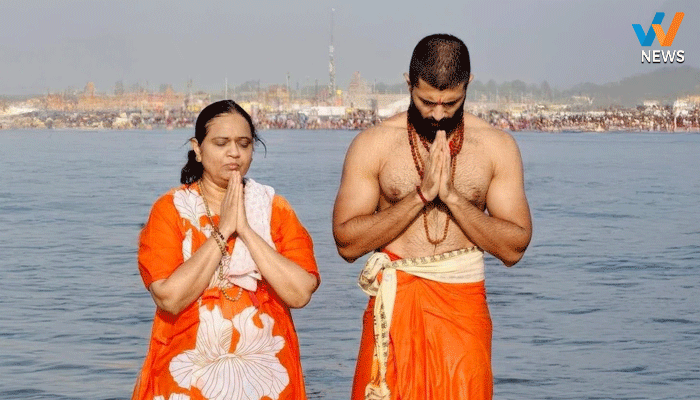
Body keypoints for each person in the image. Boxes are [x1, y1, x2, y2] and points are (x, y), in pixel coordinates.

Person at [332, 34, 532, 400]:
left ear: (468, 85)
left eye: (451, 103)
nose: (438, 114)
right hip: (395, 304)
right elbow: (346, 244)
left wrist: (452, 197)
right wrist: (420, 196)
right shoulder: (374, 144)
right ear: (408, 83)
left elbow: (514, 249)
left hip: (463, 310)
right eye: (426, 102)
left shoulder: (496, 146)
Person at [132, 100, 320, 400]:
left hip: (267, 378)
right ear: (198, 148)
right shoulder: (170, 210)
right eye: (221, 143)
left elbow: (299, 293)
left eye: (244, 144)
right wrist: (223, 233)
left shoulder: (274, 209)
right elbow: (169, 298)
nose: (234, 152)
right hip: (186, 378)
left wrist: (245, 229)